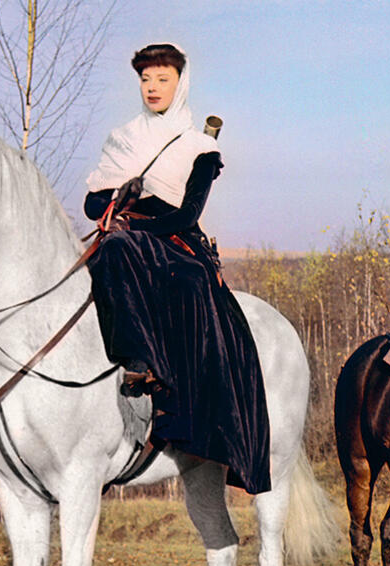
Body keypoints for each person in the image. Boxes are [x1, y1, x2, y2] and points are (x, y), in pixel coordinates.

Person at [84, 42, 270, 494]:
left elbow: (187, 214)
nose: (152, 87)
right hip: (124, 232)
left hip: (174, 240)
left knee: (180, 281)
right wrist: (115, 202)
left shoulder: (198, 147)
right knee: (100, 261)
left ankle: (164, 384)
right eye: (145, 79)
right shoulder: (123, 138)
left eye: (162, 79)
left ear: (179, 83)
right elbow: (92, 203)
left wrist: (138, 230)